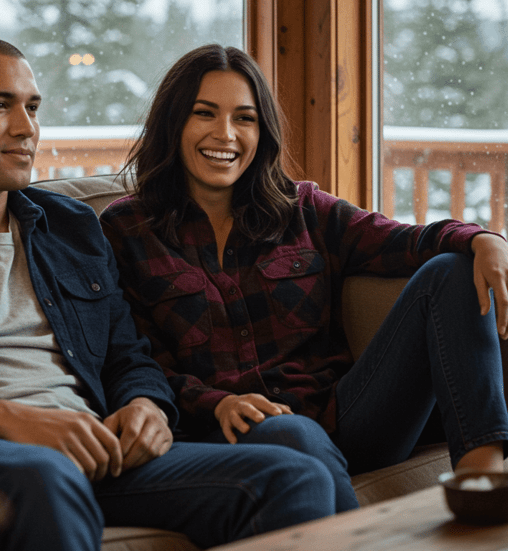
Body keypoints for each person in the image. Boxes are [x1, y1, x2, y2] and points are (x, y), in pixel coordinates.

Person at [0, 37, 356, 551]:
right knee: (44, 472)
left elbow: (127, 355)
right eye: (0, 105)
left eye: (33, 107)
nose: (26, 128)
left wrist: (147, 405)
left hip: (96, 449)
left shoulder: (71, 226)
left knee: (292, 473)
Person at [100, 43, 508, 478]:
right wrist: (218, 402)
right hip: (229, 433)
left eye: (244, 118)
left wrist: (482, 240)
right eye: (204, 113)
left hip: (345, 416)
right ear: (173, 122)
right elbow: (135, 359)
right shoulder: (125, 230)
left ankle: (482, 479)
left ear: (262, 132)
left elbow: (407, 241)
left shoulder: (304, 209)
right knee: (293, 434)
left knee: (450, 268)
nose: (226, 134)